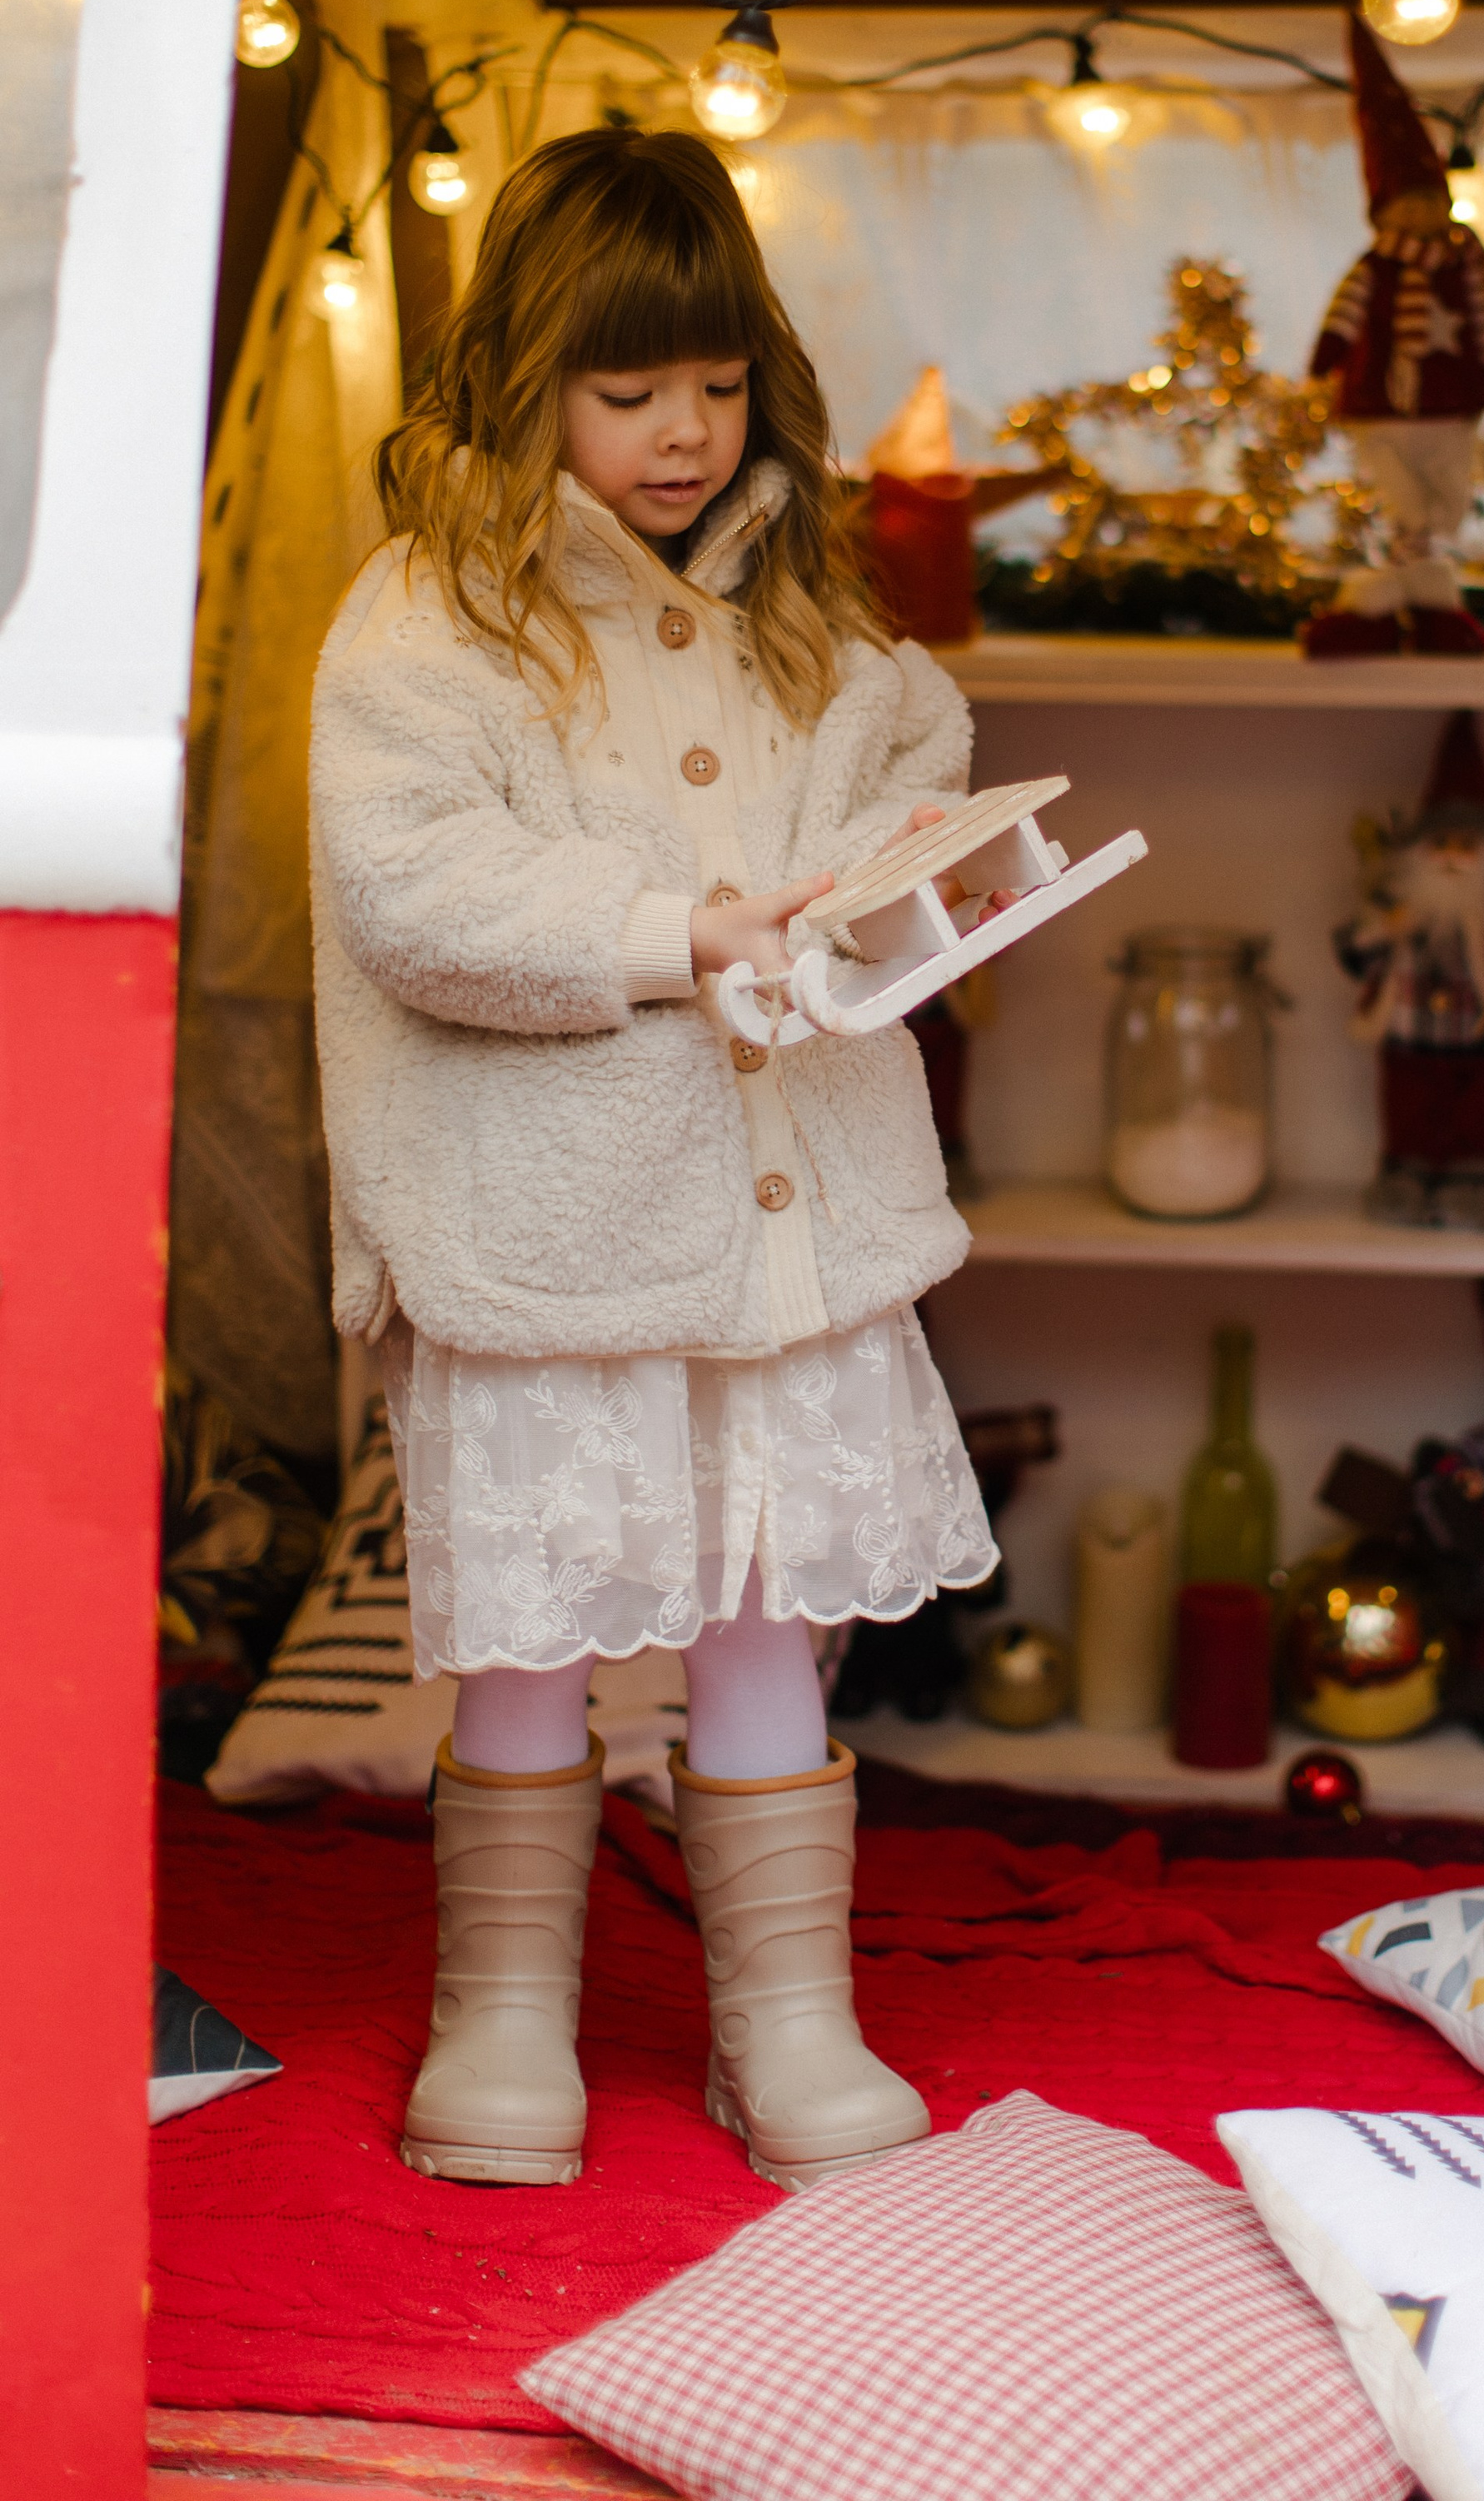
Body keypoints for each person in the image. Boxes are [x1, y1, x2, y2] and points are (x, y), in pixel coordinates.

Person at [309, 127, 1003, 2195]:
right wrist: (669, 930)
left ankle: (783, 2014)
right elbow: (410, 879)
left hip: (779, 1220)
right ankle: (502, 2010)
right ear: (526, 379)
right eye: (627, 395)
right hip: (554, 1221)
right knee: (536, 1622)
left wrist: (897, 874)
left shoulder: (803, 596)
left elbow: (910, 752)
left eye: (711, 382)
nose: (683, 432)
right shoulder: (429, 609)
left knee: (762, 1608)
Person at [1303, 17, 1484, 660]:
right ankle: (1414, 596)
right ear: (1382, 212)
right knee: (1401, 497)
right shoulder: (1374, 269)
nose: (1419, 215)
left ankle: (1408, 595)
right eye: (1406, 204)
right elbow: (1347, 314)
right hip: (1385, 402)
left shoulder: (1463, 267)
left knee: (1445, 498)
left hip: (1451, 405)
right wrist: (1327, 355)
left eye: (1427, 202)